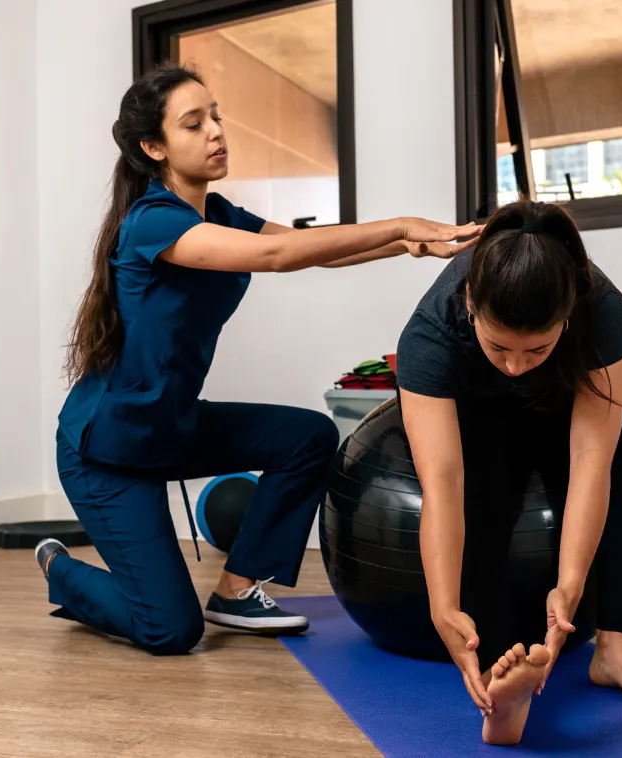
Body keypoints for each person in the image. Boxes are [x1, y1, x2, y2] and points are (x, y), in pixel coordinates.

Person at [33, 62, 481, 656]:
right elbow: (276, 256)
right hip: (105, 449)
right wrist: (398, 223)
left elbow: (306, 249)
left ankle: (237, 590)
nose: (216, 131)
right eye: (193, 123)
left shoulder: (217, 213)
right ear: (153, 147)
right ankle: (61, 569)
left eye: (215, 116)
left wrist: (406, 244)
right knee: (170, 630)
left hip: (170, 426)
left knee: (307, 438)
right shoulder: (152, 222)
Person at [395, 198, 622, 745]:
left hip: (563, 393)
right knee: (489, 485)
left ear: (567, 319)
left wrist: (569, 586)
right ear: (471, 304)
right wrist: (443, 606)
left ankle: (614, 649)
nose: (514, 364)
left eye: (536, 349)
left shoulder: (601, 308)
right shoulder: (431, 334)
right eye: (499, 346)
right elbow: (444, 482)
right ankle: (499, 688)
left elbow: (592, 459)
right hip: (474, 407)